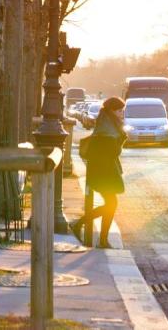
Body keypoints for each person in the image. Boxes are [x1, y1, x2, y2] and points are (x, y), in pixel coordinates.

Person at [71, 97, 127, 248]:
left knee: (111, 203)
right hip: (104, 171)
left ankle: (99, 237)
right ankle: (82, 226)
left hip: (103, 170)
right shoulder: (107, 129)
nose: (122, 113)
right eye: (119, 111)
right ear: (112, 111)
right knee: (111, 203)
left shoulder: (106, 123)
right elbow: (113, 152)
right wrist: (122, 139)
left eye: (122, 110)